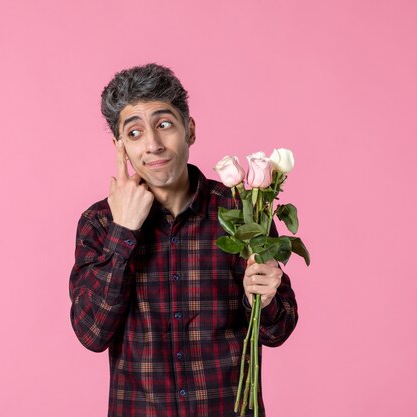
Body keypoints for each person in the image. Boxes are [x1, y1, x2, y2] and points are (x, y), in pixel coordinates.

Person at [69, 63, 298, 417]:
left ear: (189, 130)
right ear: (119, 146)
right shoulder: (99, 222)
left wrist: (267, 297)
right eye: (134, 134)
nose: (153, 145)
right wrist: (124, 232)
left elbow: (278, 329)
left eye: (164, 125)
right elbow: (91, 334)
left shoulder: (244, 209)